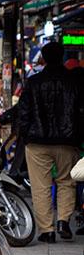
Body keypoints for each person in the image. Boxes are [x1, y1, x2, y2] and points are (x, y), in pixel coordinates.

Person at [17, 42, 84, 242]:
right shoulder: (73, 82)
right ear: (62, 56)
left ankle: (47, 230)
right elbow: (81, 112)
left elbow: (24, 111)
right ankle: (63, 221)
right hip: (67, 140)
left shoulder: (34, 82)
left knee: (40, 186)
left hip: (37, 142)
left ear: (43, 58)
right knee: (67, 181)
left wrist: (25, 134)